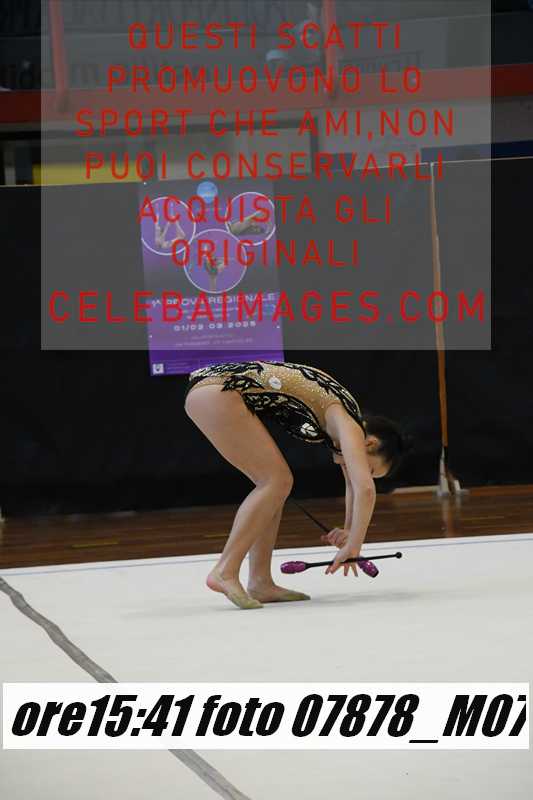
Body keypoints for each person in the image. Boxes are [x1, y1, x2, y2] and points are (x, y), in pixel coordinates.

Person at [184, 361, 411, 609]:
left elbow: (353, 486)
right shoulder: (350, 425)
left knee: (274, 487)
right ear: (371, 444)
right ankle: (225, 571)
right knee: (276, 481)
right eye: (370, 470)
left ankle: (260, 582)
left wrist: (348, 530)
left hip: (213, 391)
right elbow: (364, 489)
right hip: (219, 391)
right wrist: (355, 545)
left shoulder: (344, 420)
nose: (361, 472)